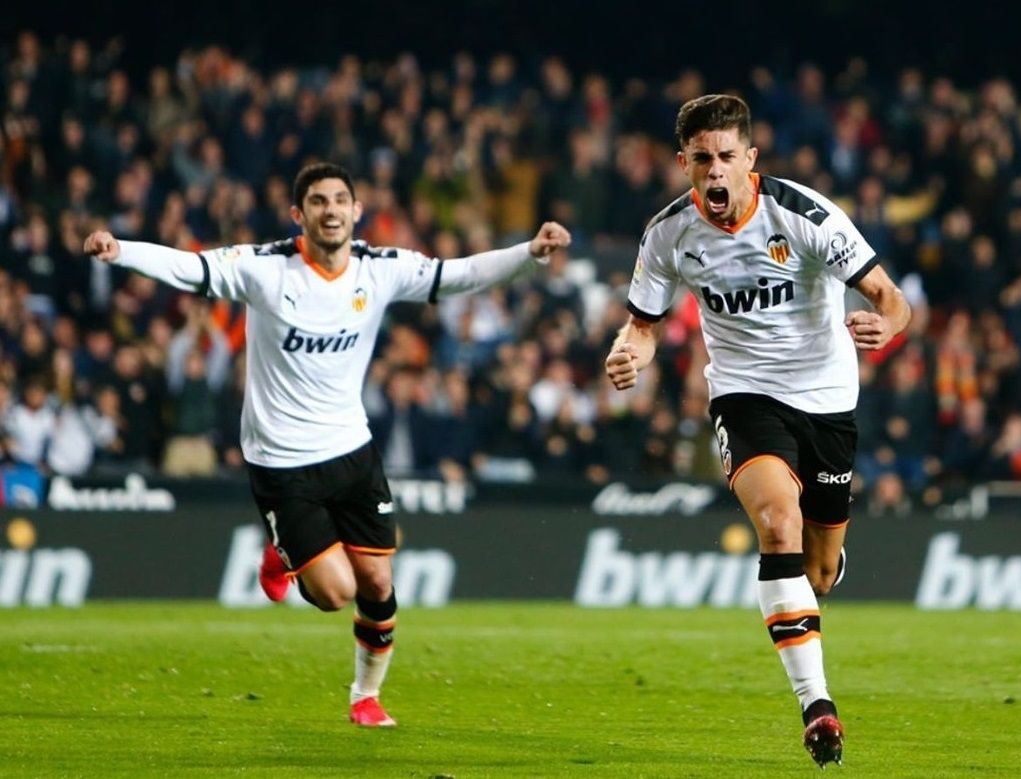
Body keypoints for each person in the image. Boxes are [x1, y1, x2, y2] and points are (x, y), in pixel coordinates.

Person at [84, 161, 570, 728]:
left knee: (378, 582)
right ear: (299, 214)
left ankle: (365, 696)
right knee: (337, 593)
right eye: (318, 201)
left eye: (340, 199)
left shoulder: (379, 269)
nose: (331, 210)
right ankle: (285, 551)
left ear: (357, 210)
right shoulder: (266, 268)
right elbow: (191, 268)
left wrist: (529, 253)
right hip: (281, 461)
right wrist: (122, 251)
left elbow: (458, 274)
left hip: (351, 450)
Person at [604, 95, 909, 767]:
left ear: (750, 158)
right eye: (701, 158)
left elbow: (892, 298)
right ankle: (816, 704)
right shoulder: (668, 233)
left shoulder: (805, 216)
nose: (715, 170)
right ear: (683, 162)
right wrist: (631, 353)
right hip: (744, 396)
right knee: (777, 521)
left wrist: (886, 325)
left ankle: (819, 567)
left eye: (726, 156)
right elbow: (643, 325)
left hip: (827, 399)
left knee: (818, 572)